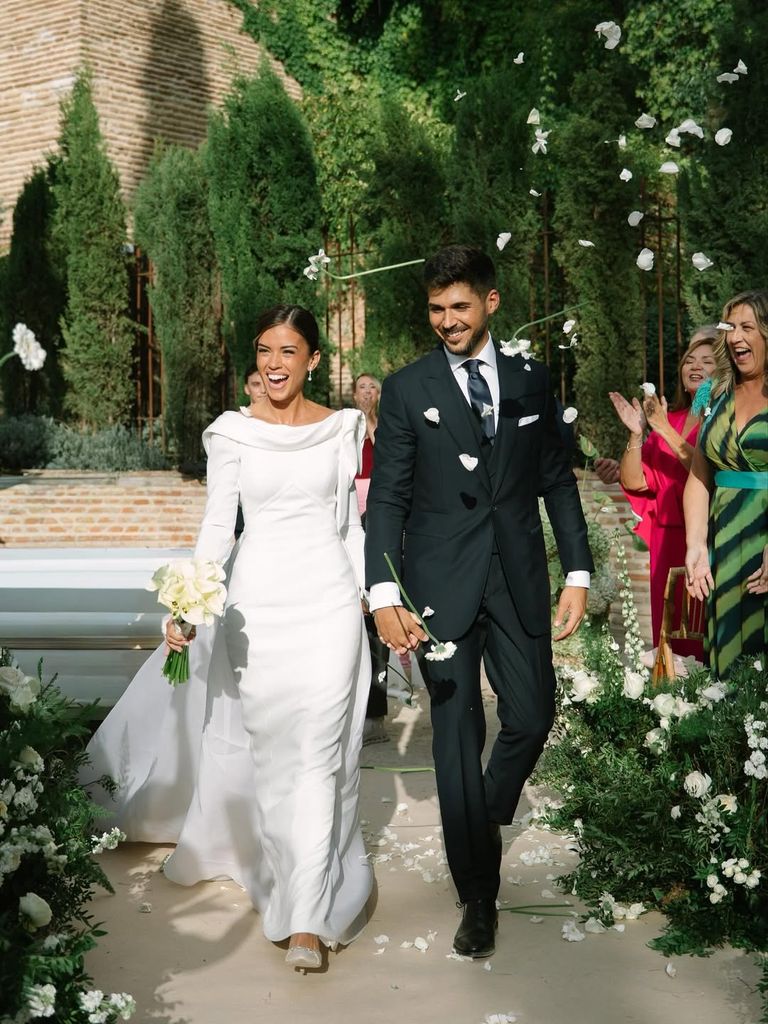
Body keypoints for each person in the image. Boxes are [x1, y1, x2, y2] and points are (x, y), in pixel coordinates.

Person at [86, 305, 372, 971]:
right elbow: (219, 527)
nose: (274, 363)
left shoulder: (342, 429)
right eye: (265, 350)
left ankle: (305, 919)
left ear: (314, 361)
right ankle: (286, 880)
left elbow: (350, 526)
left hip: (329, 602)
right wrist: (189, 601)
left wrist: (367, 597)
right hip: (256, 609)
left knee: (321, 747)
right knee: (275, 753)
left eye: (289, 351)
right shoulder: (231, 435)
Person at [364, 244, 593, 958]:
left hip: (519, 579)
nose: (447, 321)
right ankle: (479, 900)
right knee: (456, 743)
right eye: (436, 309)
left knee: (532, 715)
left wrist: (578, 572)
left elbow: (556, 478)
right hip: (439, 590)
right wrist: (382, 592)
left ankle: (487, 809)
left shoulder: (529, 380)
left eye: (459, 306)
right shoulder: (408, 388)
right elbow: (390, 497)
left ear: (490, 302)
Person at [607, 327, 718, 659]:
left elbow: (707, 474)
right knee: (670, 644)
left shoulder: (721, 419)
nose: (695, 366)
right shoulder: (670, 418)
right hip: (665, 543)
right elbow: (636, 481)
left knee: (702, 638)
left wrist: (664, 430)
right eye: (689, 360)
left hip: (705, 541)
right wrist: (636, 435)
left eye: (708, 360)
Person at [684, 291, 768, 678]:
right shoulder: (714, 394)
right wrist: (697, 545)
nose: (735, 337)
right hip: (724, 549)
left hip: (763, 543)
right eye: (730, 328)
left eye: (747, 327)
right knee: (728, 668)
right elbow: (700, 477)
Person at [351, 372, 390, 745]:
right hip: (347, 520)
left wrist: (372, 423)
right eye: (362, 387)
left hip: (379, 518)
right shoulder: (343, 425)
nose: (367, 392)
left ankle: (375, 713)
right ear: (353, 392)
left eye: (373, 387)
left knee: (376, 610)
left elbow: (388, 461)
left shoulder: (387, 424)